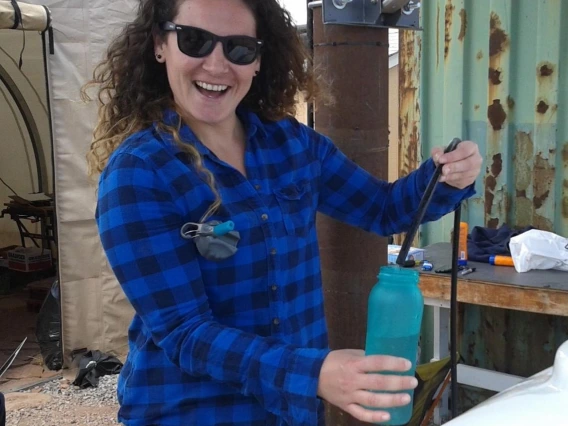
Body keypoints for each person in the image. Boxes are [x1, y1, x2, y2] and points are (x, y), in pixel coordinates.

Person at [85, 0, 482, 424]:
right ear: (160, 44)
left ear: (258, 61)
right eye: (195, 41)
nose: (216, 65)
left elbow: (384, 209)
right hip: (191, 412)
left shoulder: (292, 145)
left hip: (290, 414)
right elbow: (184, 333)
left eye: (239, 48)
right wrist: (315, 372)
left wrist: (444, 178)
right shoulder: (139, 172)